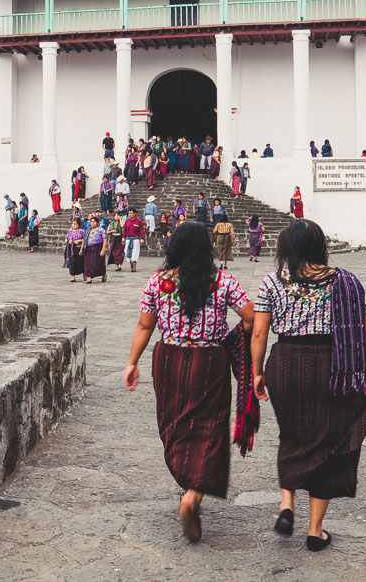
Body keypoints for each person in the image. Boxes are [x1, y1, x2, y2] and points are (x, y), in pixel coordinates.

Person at [251, 219, 366, 548]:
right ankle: (315, 530)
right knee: (330, 440)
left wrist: (257, 372)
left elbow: (259, 332)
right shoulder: (345, 282)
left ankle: (286, 504)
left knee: (293, 432)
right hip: (333, 366)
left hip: (286, 363)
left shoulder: (272, 282)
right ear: (320, 246)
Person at [124, 221, 255, 543]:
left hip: (168, 360)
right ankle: (193, 494)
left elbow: (144, 326)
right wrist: (232, 340)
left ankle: (186, 481)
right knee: (210, 426)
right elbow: (252, 317)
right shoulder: (223, 281)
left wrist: (131, 362)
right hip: (210, 361)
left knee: (174, 424)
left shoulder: (157, 283)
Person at [83, 213, 108, 284]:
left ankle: (103, 274)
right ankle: (89, 277)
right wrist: (82, 248)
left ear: (97, 222)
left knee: (99, 263)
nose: (92, 223)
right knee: (88, 263)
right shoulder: (88, 230)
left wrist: (103, 250)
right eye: (91, 222)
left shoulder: (101, 230)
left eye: (94, 222)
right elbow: (84, 239)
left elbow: (105, 239)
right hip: (89, 248)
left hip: (97, 248)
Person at [123, 207, 144, 272]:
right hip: (128, 239)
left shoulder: (139, 221)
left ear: (134, 214)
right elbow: (124, 230)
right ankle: (131, 263)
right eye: (129, 213)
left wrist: (142, 239)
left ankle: (134, 267)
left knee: (135, 253)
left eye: (131, 213)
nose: (129, 214)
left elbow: (141, 231)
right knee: (126, 252)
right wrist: (123, 238)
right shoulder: (127, 221)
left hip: (136, 239)